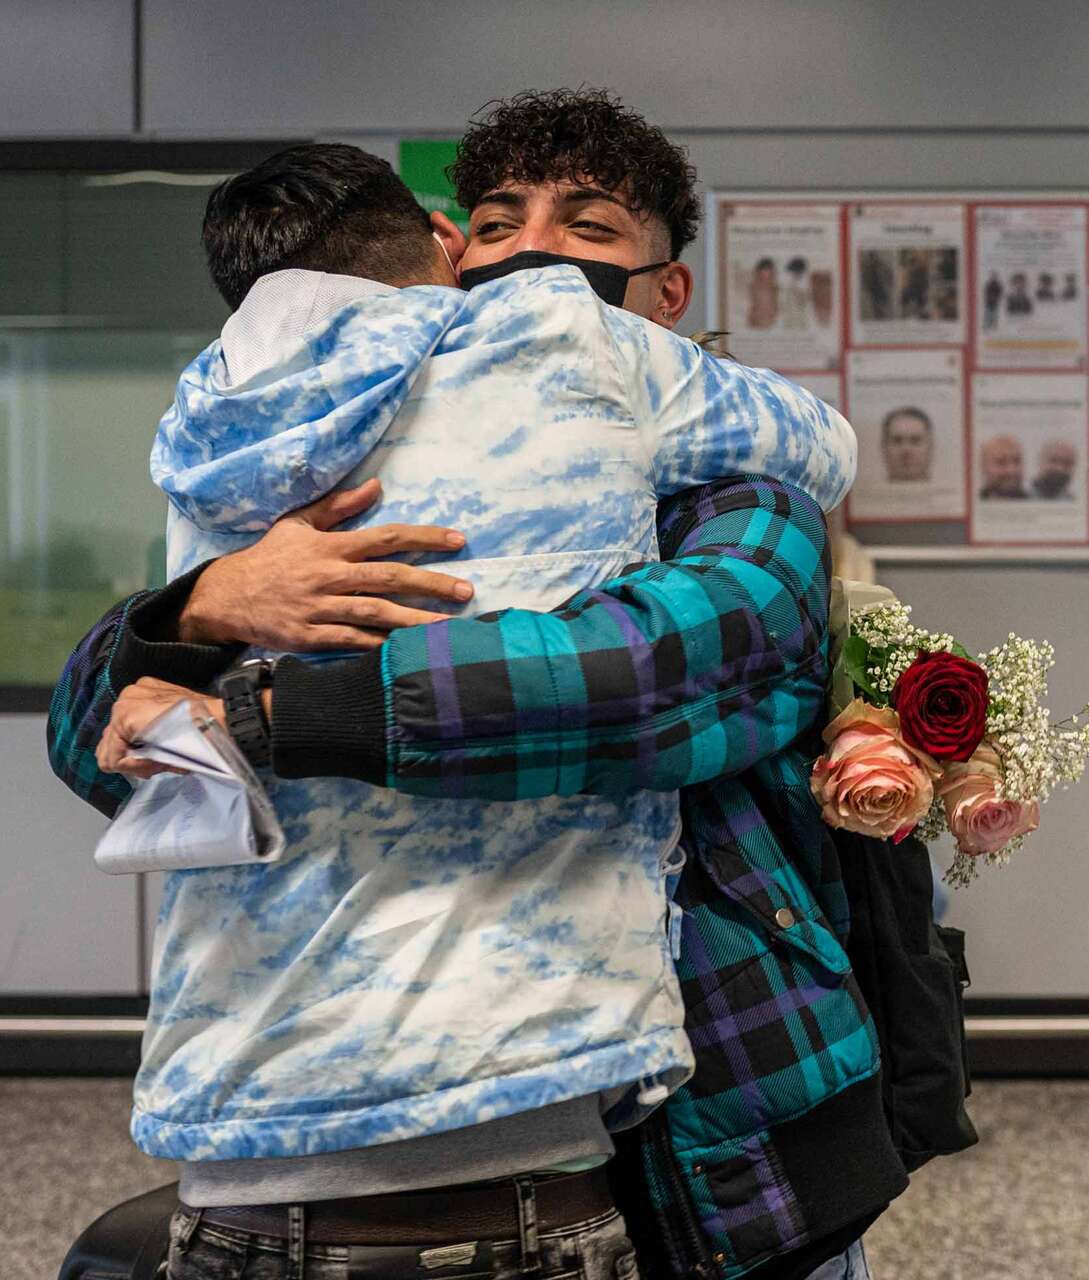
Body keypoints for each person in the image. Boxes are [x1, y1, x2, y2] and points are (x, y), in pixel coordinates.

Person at [55, 90, 921, 1280]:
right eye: (500, 221)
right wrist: (199, 609)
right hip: (422, 1112)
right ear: (449, 252)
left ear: (666, 297)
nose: (533, 257)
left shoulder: (743, 502)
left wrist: (267, 711)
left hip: (718, 1115)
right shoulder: (335, 473)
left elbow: (634, 680)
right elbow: (97, 743)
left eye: (590, 227)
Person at [881, 407, 934, 483]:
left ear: (930, 447)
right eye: (897, 441)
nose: (906, 450)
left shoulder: (950, 493)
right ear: (884, 447)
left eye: (915, 441)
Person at [979, 434, 1028, 499]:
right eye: (1001, 462)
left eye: (1017, 461)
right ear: (984, 467)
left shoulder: (1037, 502)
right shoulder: (972, 501)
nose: (1011, 470)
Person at [746, 256, 779, 328]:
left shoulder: (774, 287)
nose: (766, 273)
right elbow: (752, 304)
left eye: (768, 271)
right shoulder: (753, 286)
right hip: (756, 321)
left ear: (772, 272)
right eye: (764, 270)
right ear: (759, 272)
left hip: (770, 321)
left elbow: (775, 305)